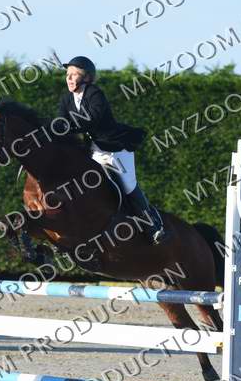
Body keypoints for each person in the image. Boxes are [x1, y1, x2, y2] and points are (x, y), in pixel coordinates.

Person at [55, 55, 169, 246]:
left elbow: (92, 119)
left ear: (87, 78)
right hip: (92, 150)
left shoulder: (95, 94)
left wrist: (68, 126)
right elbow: (60, 121)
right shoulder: (66, 98)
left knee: (128, 185)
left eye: (74, 74)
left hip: (114, 148)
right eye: (68, 74)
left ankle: (153, 225)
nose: (69, 78)